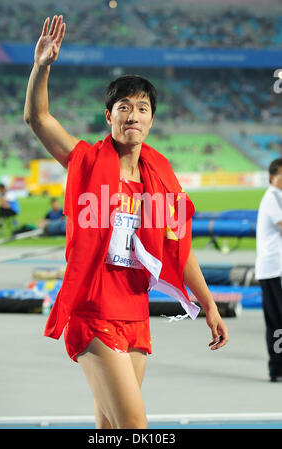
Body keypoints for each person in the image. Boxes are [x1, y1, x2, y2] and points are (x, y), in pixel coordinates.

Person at [24, 15, 228, 429]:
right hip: (93, 309)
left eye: (141, 108)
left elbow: (177, 249)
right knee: (135, 428)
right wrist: (42, 66)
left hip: (136, 310)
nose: (132, 115)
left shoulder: (163, 180)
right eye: (123, 107)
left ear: (151, 119)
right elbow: (38, 119)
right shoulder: (85, 160)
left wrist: (208, 304)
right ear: (109, 117)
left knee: (111, 428)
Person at [255, 158, 282, 382]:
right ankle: (277, 368)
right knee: (277, 320)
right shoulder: (273, 197)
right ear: (273, 176)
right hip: (273, 268)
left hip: (275, 268)